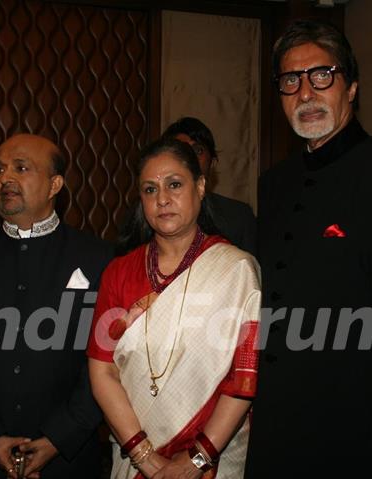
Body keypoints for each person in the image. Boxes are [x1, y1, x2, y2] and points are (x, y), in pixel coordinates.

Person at [245, 19, 372, 477]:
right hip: (277, 433)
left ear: (351, 88)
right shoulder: (275, 184)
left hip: (353, 442)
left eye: (322, 75)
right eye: (290, 81)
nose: (305, 93)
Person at [0, 133, 112, 478]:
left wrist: (58, 438)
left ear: (54, 185)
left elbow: (107, 362)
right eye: (0, 169)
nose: (6, 178)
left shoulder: (98, 259)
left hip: (69, 458)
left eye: (22, 168)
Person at [88, 138, 261, 478]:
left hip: (213, 461)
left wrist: (197, 459)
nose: (162, 199)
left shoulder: (236, 270)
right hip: (135, 457)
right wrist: (145, 457)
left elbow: (243, 380)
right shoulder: (118, 273)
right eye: (150, 189)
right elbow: (102, 370)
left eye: (175, 184)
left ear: (200, 186)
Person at [162, 117, 257, 255]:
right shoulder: (153, 211)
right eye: (181, 150)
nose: (190, 157)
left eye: (198, 150)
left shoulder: (238, 217)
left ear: (212, 162)